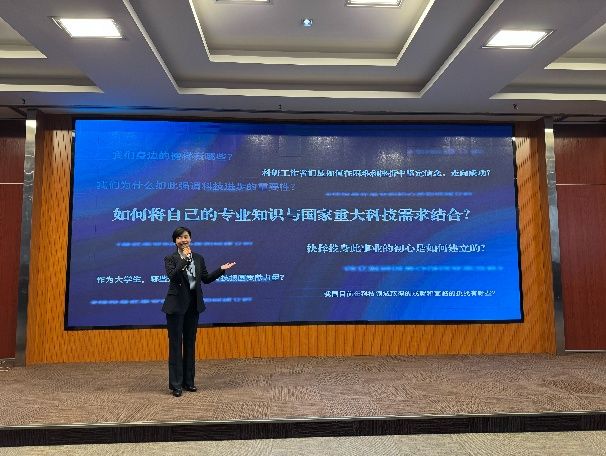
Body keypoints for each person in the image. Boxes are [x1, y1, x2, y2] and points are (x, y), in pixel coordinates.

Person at [162, 226, 236, 397]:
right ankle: (176, 385)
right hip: (175, 307)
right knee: (175, 346)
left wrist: (221, 269)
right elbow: (173, 276)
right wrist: (184, 259)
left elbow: (206, 279)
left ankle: (189, 382)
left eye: (186, 237)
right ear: (175, 241)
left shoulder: (198, 258)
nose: (183, 240)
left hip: (193, 306)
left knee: (190, 344)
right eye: (179, 238)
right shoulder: (170, 258)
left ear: (190, 238)